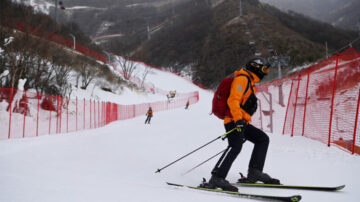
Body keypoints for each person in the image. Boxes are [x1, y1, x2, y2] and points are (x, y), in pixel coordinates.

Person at [207, 57, 280, 192]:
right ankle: (217, 177)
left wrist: (242, 121)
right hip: (234, 120)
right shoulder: (242, 79)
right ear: (255, 68)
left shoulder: (250, 82)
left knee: (262, 139)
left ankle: (255, 172)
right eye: (264, 69)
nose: (265, 73)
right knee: (235, 147)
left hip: (241, 121)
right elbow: (233, 100)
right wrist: (238, 120)